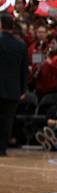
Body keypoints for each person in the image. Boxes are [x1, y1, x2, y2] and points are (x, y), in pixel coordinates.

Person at [0, 14, 28, 156]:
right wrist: (23, 89)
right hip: (13, 89)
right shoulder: (21, 44)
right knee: (8, 120)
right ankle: (2, 149)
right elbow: (24, 70)